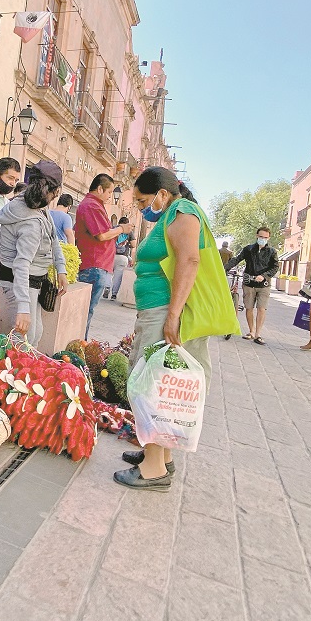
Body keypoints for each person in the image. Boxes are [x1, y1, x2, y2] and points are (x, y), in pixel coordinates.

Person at [116, 166, 235, 491]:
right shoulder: (173, 213)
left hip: (166, 310)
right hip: (159, 309)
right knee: (161, 382)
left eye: (142, 201)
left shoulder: (183, 211)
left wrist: (173, 315)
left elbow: (189, 260)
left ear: (163, 195)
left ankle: (153, 470)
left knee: (152, 385)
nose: (141, 208)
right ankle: (158, 457)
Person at [0, 161, 67, 345]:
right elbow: (21, 264)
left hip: (33, 279)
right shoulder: (31, 222)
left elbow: (52, 238)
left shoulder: (38, 205)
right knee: (24, 337)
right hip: (19, 278)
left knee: (35, 334)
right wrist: (23, 307)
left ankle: (22, 370)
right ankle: (7, 372)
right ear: (54, 191)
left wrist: (61, 269)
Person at [75, 173, 124, 337]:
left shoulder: (94, 205)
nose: (110, 196)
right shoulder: (92, 206)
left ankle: (80, 342)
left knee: (87, 310)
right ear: (100, 188)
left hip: (96, 265)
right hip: (94, 264)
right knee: (85, 311)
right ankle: (79, 343)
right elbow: (102, 235)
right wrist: (121, 229)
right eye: (109, 192)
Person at [225, 227, 278, 345]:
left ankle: (258, 334)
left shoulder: (272, 252)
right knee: (249, 308)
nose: (263, 239)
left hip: (264, 284)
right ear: (257, 236)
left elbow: (275, 267)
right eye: (261, 237)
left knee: (261, 308)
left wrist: (264, 275)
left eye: (265, 237)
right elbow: (237, 259)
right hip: (249, 283)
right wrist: (225, 268)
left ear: (268, 238)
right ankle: (251, 331)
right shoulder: (248, 249)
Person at [108, 217, 132, 300]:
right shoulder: (129, 232)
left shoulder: (114, 229)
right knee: (117, 277)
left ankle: (107, 287)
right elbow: (134, 244)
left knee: (108, 273)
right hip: (122, 257)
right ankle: (114, 294)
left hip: (110, 255)